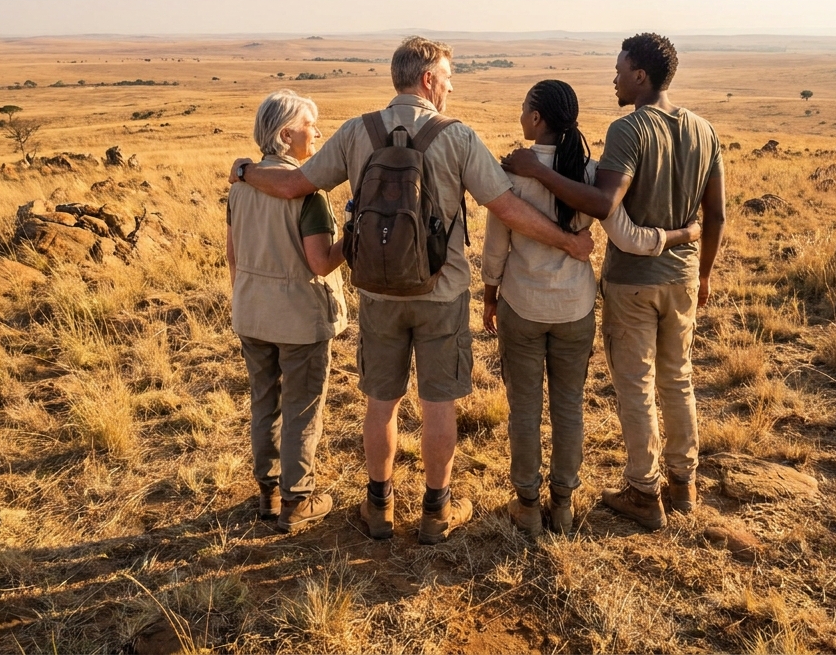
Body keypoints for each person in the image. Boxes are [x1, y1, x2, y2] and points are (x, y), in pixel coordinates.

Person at [229, 36, 594, 544]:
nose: (449, 86)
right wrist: (569, 242)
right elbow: (507, 209)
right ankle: (435, 511)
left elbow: (294, 185)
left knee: (382, 401)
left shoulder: (359, 131)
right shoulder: (458, 137)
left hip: (377, 293)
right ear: (427, 79)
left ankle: (378, 507)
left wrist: (246, 170)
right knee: (438, 402)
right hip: (441, 294)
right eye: (446, 77)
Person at [502, 33, 726, 530]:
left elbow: (602, 204)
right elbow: (717, 215)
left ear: (640, 76)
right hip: (685, 276)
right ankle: (683, 484)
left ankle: (645, 492)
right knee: (680, 378)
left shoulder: (629, 129)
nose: (615, 78)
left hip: (633, 282)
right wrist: (704, 269)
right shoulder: (705, 130)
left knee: (636, 385)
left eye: (620, 69)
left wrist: (532, 172)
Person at [226, 90, 346, 533]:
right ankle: (298, 502)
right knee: (302, 407)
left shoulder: (239, 188)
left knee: (264, 401)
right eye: (310, 125)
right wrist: (350, 236)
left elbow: (233, 257)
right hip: (299, 317)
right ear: (286, 134)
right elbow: (320, 262)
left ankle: (268, 494)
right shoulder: (307, 192)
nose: (317, 132)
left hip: (252, 311)